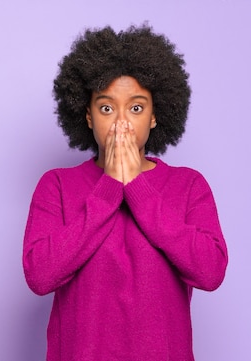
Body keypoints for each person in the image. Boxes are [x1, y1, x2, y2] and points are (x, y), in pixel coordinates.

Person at [22, 24, 228, 361]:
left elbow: (210, 271)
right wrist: (109, 189)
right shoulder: (56, 185)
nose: (122, 123)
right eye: (106, 108)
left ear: (155, 117)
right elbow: (40, 276)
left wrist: (138, 187)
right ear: (87, 117)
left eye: (136, 108)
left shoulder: (189, 186)